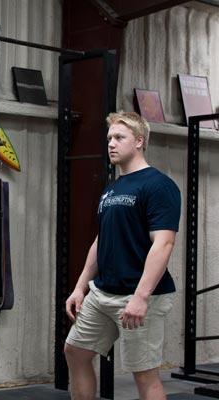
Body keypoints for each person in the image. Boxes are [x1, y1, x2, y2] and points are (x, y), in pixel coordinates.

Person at [64, 111, 181, 400]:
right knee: (76, 352)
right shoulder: (112, 189)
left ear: (139, 141)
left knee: (144, 373)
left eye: (119, 137)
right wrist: (80, 287)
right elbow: (101, 240)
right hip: (103, 292)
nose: (111, 144)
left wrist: (140, 297)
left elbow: (163, 244)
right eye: (109, 138)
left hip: (140, 296)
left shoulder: (158, 185)